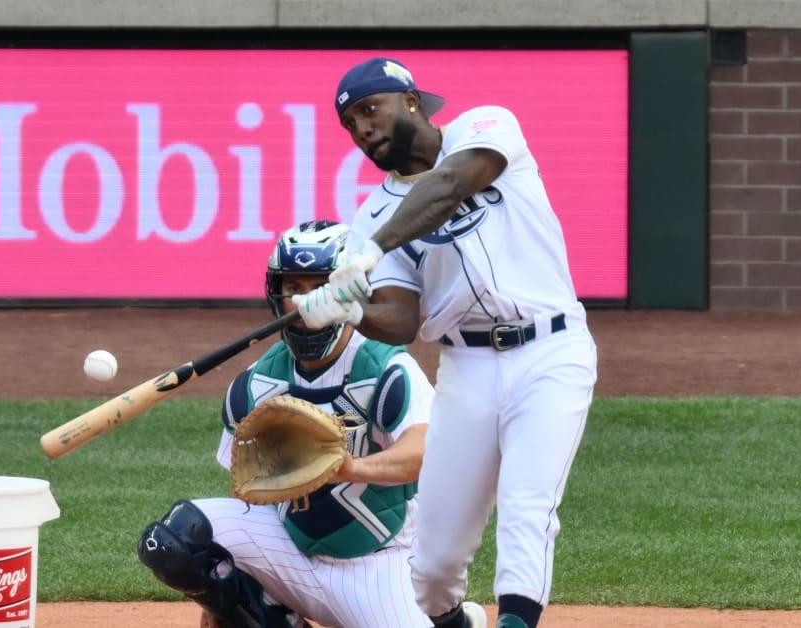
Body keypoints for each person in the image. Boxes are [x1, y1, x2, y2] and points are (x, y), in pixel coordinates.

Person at [293, 58, 598, 628]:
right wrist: (350, 310)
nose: (362, 129)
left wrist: (372, 250)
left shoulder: (485, 127)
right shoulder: (371, 217)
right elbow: (402, 323)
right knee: (432, 566)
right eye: (350, 123)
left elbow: (449, 184)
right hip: (467, 368)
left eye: (369, 110)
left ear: (410, 101)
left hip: (551, 351)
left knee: (527, 507)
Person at [138, 220, 484, 628]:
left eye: (318, 287)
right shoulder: (256, 384)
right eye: (293, 289)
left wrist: (347, 468)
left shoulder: (385, 368)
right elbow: (243, 490)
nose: (303, 302)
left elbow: (424, 450)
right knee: (175, 540)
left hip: (377, 564)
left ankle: (450, 622)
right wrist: (226, 603)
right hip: (292, 548)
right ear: (276, 294)